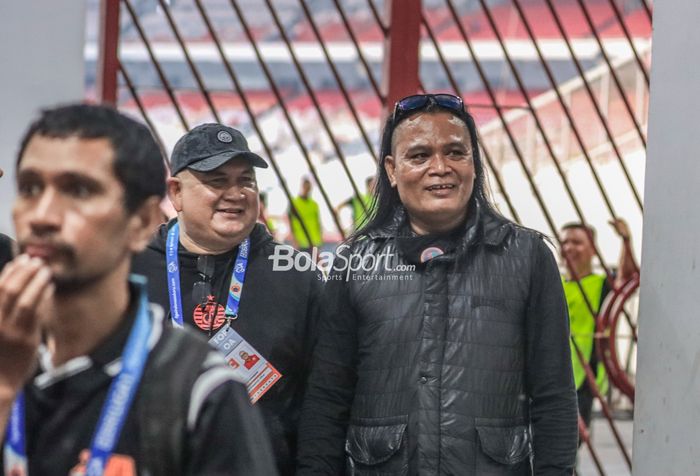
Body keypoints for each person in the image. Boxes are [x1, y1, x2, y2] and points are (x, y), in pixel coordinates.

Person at [298, 93, 578, 475]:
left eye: (455, 153)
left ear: (474, 165)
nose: (440, 167)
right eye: (419, 156)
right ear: (392, 171)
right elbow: (327, 399)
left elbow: (555, 397)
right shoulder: (354, 264)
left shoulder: (527, 258)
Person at [0, 104, 276, 476]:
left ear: (143, 222)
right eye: (31, 187)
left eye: (79, 190)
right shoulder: (11, 357)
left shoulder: (197, 389)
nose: (43, 214)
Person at [132, 123, 320, 475]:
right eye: (217, 181)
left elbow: (322, 403)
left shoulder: (297, 277)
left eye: (245, 181)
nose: (235, 193)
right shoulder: (131, 273)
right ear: (176, 193)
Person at [560, 219, 638, 430]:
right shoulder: (553, 283)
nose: (568, 248)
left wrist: (626, 241)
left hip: (583, 381)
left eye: (576, 242)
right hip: (547, 377)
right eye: (564, 242)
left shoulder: (602, 284)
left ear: (593, 249)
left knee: (566, 445)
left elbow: (629, 279)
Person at [288, 178, 323, 253]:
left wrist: (320, 239)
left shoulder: (314, 204)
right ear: (302, 187)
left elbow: (318, 223)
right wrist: (293, 239)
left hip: (315, 242)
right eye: (306, 187)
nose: (307, 190)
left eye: (309, 188)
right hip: (301, 242)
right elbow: (290, 222)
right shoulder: (294, 203)